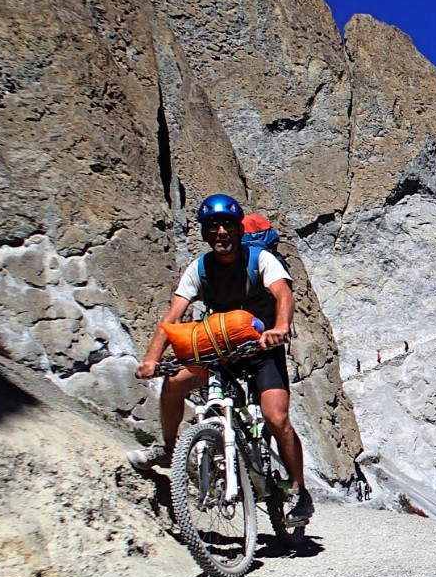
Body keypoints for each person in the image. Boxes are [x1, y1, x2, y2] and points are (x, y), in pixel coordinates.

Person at [128, 193, 312, 522]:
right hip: (222, 352)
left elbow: (284, 294)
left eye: (227, 225)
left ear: (239, 229)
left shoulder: (261, 260)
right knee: (174, 381)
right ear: (204, 233)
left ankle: (299, 491)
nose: (221, 232)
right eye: (213, 227)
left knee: (276, 418)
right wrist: (151, 359)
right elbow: (173, 317)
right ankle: (171, 450)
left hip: (262, 351)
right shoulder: (199, 269)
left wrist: (280, 327)